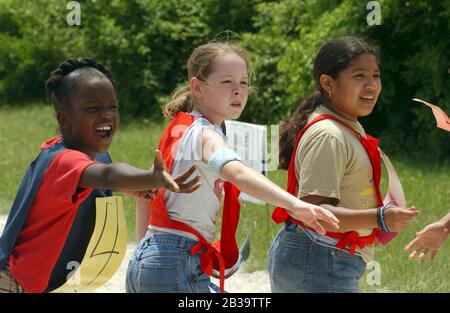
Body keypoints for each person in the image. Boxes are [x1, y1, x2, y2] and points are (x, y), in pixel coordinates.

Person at [125, 41, 339, 293]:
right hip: (175, 261)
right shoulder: (205, 134)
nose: (238, 90)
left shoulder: (178, 129)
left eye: (244, 83)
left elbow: (146, 197)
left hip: (153, 257)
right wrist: (295, 204)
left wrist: (146, 255)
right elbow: (236, 172)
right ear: (197, 87)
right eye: (227, 82)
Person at [0, 58, 200, 293]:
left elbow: (100, 177)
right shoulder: (66, 161)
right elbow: (106, 176)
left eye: (112, 107)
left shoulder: (59, 150)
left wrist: (133, 187)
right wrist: (151, 177)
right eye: (93, 108)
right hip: (12, 283)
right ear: (64, 118)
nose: (106, 115)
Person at [269, 36, 420, 293]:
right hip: (319, 259)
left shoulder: (345, 124)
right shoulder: (329, 134)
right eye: (359, 76)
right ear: (328, 83)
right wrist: (380, 218)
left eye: (376, 75)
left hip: (324, 258)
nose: (371, 85)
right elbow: (318, 216)